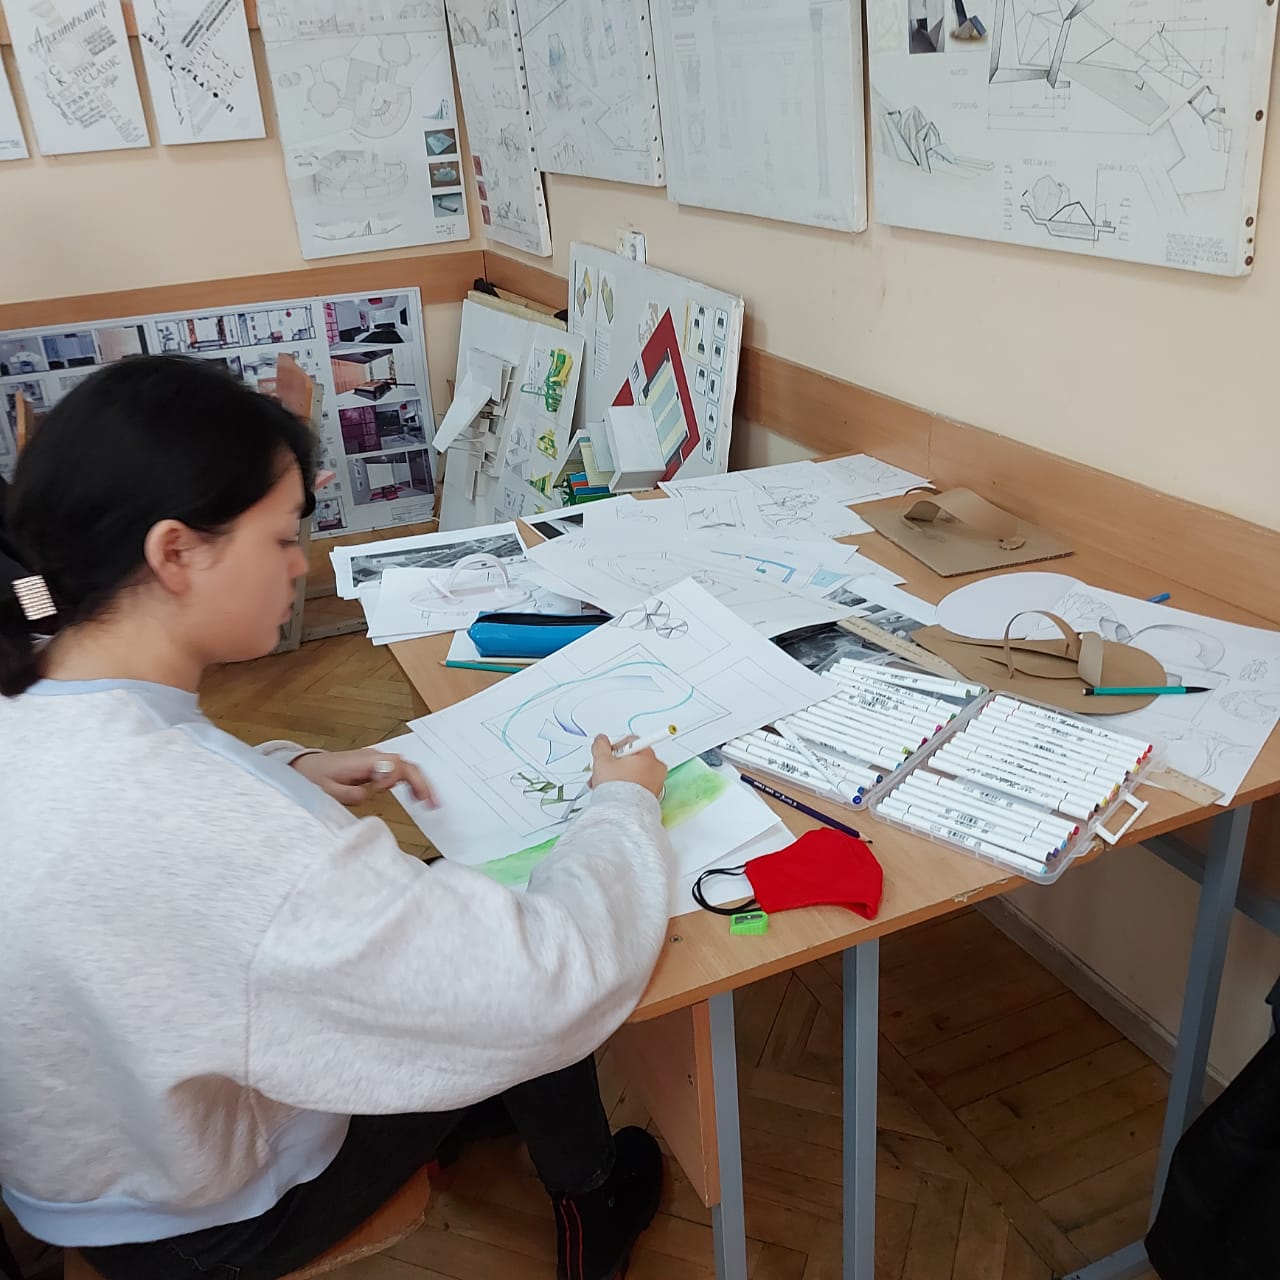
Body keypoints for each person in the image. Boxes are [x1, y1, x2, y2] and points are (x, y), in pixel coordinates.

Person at [0, 356, 674, 1280]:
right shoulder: (227, 831)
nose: (301, 564)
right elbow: (549, 984)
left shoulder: (35, 696)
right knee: (507, 909)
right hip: (211, 1220)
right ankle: (593, 1194)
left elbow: (144, 831)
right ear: (176, 553)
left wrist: (281, 771)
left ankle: (504, 1120)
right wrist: (625, 803)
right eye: (283, 538)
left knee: (453, 922)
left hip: (79, 1166)